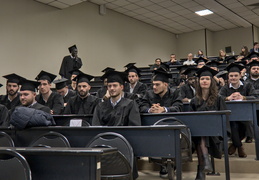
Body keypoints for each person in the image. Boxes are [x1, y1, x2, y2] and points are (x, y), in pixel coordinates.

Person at [189, 66, 227, 180]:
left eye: (207, 79)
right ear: (199, 82)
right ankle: (205, 163)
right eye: (202, 79)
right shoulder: (194, 100)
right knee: (201, 134)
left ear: (211, 82)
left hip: (215, 132)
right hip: (198, 133)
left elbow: (224, 118)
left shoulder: (219, 98)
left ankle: (202, 167)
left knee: (203, 135)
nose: (204, 81)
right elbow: (191, 120)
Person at [219, 63, 256, 158]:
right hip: (231, 116)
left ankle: (234, 145)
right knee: (233, 125)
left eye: (236, 75)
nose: (233, 78)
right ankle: (239, 147)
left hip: (245, 115)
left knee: (244, 125)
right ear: (228, 77)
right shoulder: (225, 88)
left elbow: (255, 97)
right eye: (231, 76)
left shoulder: (247, 86)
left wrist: (243, 97)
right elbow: (219, 98)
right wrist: (228, 98)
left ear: (240, 76)